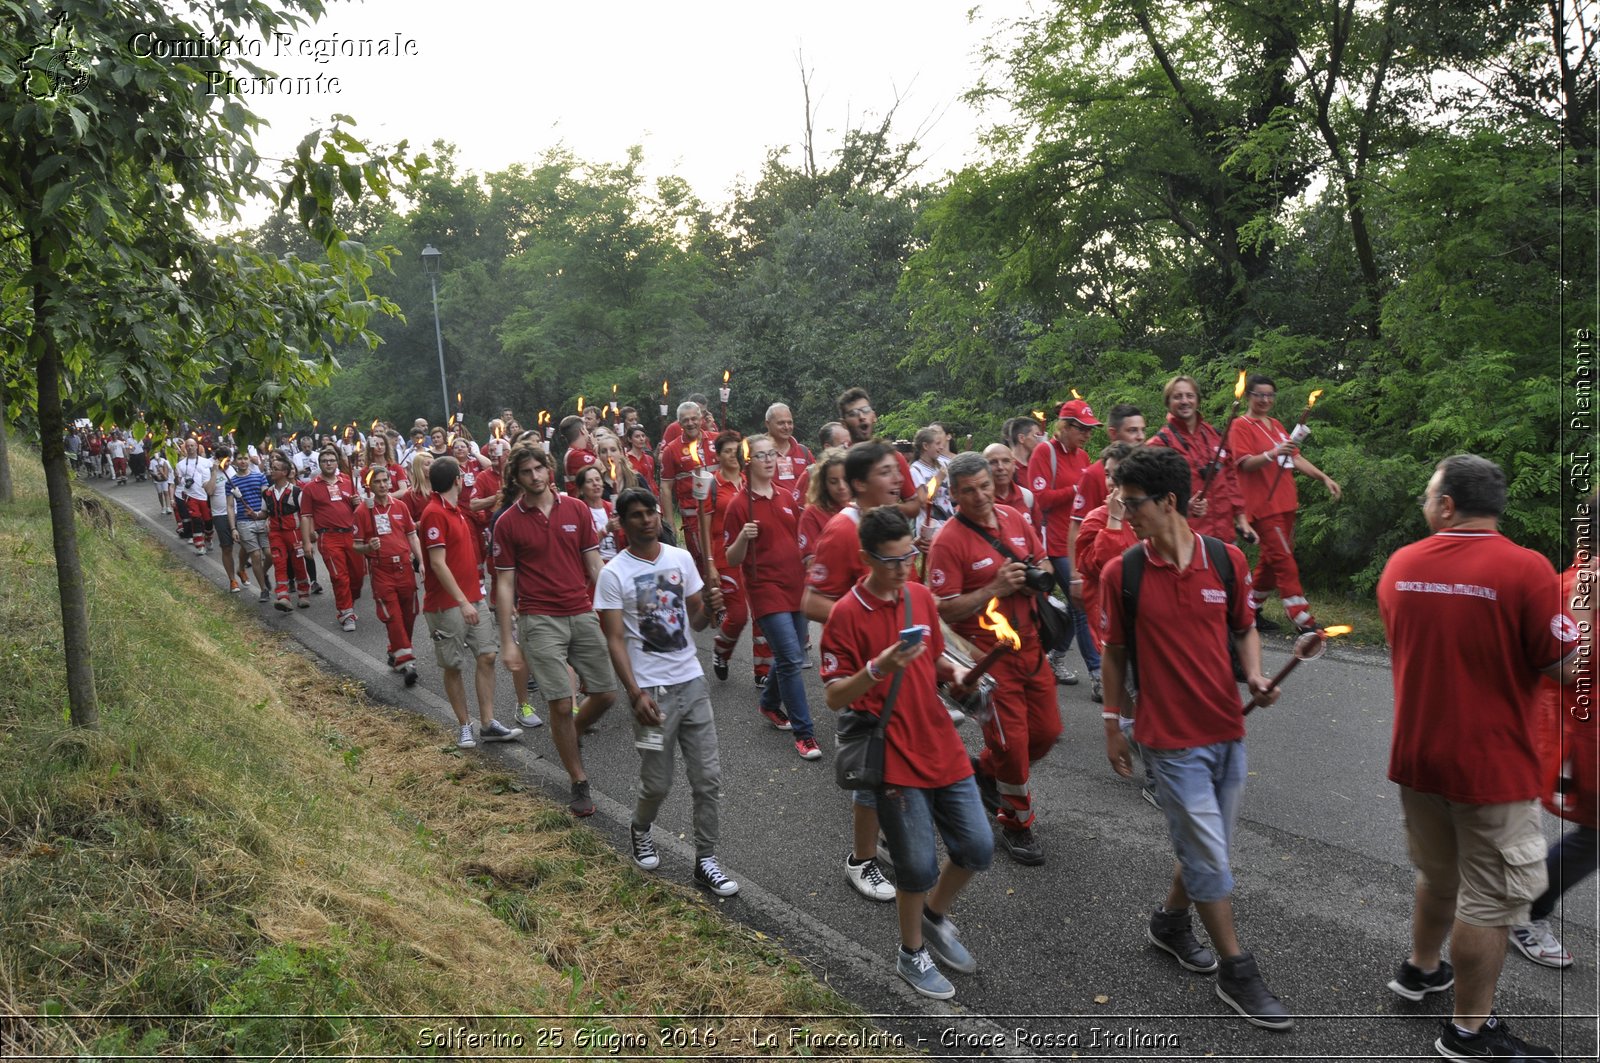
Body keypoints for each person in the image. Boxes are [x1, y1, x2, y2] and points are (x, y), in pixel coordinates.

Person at [1379, 454, 1579, 1061]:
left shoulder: (1402, 565)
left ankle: (1420, 971)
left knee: (1438, 876)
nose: (1424, 503)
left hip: (1417, 757)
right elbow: (1562, 663)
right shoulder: (1526, 569)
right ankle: (1469, 1032)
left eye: (1427, 494)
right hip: (1491, 767)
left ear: (1446, 505)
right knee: (1490, 900)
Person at [1098, 445, 1292, 1031]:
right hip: (1167, 738)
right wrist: (1112, 724)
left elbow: (1244, 627)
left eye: (1134, 503)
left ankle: (1170, 923)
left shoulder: (1227, 560)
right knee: (1208, 851)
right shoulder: (1123, 571)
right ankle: (1238, 971)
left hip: (1227, 728)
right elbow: (1113, 654)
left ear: (1169, 502)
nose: (1126, 512)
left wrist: (1255, 674)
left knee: (1209, 846)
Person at [821, 506, 990, 1000]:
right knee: (916, 866)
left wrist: (956, 675)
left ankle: (934, 917)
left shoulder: (919, 595)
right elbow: (834, 695)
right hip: (891, 753)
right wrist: (877, 667)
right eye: (892, 561)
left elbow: (934, 654)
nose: (904, 570)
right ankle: (910, 952)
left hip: (940, 741)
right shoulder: (846, 614)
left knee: (977, 848)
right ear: (864, 558)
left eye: (910, 556)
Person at [595, 487, 738, 896]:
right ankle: (640, 827)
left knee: (707, 778)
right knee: (657, 781)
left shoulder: (681, 559)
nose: (646, 520)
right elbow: (616, 639)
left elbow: (697, 622)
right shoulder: (613, 574)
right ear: (622, 523)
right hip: (651, 695)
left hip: (691, 683)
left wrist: (711, 607)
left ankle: (705, 859)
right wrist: (635, 693)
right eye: (636, 515)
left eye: (651, 512)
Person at [927, 452, 1058, 865]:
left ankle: (985, 770)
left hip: (1030, 645)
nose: (981, 495)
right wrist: (994, 588)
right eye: (969, 490)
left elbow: (1043, 560)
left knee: (1047, 732)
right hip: (986, 659)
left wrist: (1035, 578)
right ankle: (1016, 824)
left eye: (985, 485)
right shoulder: (948, 540)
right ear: (954, 494)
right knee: (1013, 744)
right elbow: (943, 610)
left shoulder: (1013, 518)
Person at [803, 441, 907, 904]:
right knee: (873, 769)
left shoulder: (890, 525)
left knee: (898, 765)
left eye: (897, 471)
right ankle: (861, 860)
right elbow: (811, 601)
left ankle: (883, 837)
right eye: (887, 472)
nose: (898, 479)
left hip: (901, 668)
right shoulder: (843, 530)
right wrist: (867, 631)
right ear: (860, 483)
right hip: (867, 672)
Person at [493, 444, 618, 817]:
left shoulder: (576, 509)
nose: (535, 476)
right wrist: (507, 643)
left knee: (607, 694)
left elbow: (595, 566)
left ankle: (570, 732)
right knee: (561, 703)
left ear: (550, 470)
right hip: (538, 618)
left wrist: (615, 609)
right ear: (517, 479)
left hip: (580, 611)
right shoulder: (507, 523)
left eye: (539, 469)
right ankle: (578, 780)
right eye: (527, 472)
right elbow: (503, 585)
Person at [1512, 503, 1597, 970]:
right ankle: (1526, 912)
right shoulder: (1571, 589)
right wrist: (1586, 610)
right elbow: (1570, 675)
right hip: (1583, 735)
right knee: (1596, 837)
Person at [724, 433, 818, 759]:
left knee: (787, 653)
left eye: (772, 455)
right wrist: (742, 538)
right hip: (765, 589)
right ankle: (805, 734)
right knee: (792, 659)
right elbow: (733, 558)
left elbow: (799, 540)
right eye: (761, 455)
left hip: (796, 585)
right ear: (748, 462)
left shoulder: (785, 496)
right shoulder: (739, 505)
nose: (769, 460)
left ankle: (768, 703)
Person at [421, 455, 523, 749]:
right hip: (447, 604)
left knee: (488, 655)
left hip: (474, 597)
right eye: (462, 475)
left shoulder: (458, 511)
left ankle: (488, 723)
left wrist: (472, 598)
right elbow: (438, 564)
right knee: (453, 665)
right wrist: (462, 602)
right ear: (456, 480)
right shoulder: (434, 513)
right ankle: (465, 724)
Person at [1227, 376, 1342, 633]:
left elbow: (1295, 458)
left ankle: (1251, 609)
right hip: (1263, 505)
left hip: (1286, 502)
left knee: (1271, 559)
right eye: (1260, 395)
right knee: (1283, 560)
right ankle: (1301, 618)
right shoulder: (1240, 425)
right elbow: (1244, 463)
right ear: (1249, 396)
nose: (1265, 400)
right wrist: (1272, 453)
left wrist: (1324, 477)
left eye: (1270, 395)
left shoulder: (1276, 424)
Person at [1026, 398, 1102, 693]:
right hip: (1053, 542)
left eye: (1090, 429)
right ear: (1065, 427)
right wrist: (1075, 489)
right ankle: (1098, 675)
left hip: (1078, 541)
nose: (1087, 434)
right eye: (1082, 429)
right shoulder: (1044, 452)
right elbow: (1040, 498)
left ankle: (1056, 656)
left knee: (1077, 604)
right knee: (1082, 605)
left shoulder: (1082, 457)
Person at [1147, 375, 1254, 546]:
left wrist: (1242, 520)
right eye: (1177, 396)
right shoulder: (1159, 446)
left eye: (1189, 396)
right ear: (1168, 402)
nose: (1184, 401)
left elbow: (1231, 480)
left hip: (1225, 536)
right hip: (1188, 539)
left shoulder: (1216, 436)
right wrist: (1183, 506)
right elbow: (1153, 495)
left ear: (1197, 400)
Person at [355, 465, 424, 686]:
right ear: (370, 485)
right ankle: (406, 662)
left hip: (404, 568)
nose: (383, 485)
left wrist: (421, 561)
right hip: (382, 570)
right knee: (392, 615)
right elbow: (355, 545)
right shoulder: (363, 511)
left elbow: (412, 535)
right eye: (378, 482)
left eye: (386, 481)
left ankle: (396, 651)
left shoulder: (401, 506)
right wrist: (368, 547)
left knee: (410, 614)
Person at [300, 447, 365, 632]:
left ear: (337, 462)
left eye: (331, 460)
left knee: (358, 577)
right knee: (339, 576)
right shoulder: (311, 487)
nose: (328, 463)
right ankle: (346, 613)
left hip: (351, 536)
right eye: (324, 460)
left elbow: (358, 511)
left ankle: (349, 604)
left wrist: (357, 504)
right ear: (319, 464)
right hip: (329, 537)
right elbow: (305, 516)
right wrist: (306, 543)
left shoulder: (347, 481)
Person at [658, 401, 713, 577]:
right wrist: (670, 523)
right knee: (703, 563)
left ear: (701, 419)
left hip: (720, 512)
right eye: (686, 420)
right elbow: (665, 487)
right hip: (693, 518)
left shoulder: (717, 440)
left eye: (694, 418)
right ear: (679, 424)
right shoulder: (671, 450)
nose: (690, 423)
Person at [1072, 403, 1145, 529]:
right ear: (1113, 433)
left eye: (1143, 430)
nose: (1140, 437)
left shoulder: (1148, 468)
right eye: (1132, 430)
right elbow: (1077, 527)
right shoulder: (1093, 474)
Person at [261, 451, 312, 610]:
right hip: (276, 533)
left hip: (294, 533)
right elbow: (264, 512)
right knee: (279, 563)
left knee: (298, 564)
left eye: (275, 469)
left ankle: (303, 594)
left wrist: (307, 539)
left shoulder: (297, 492)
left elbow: (305, 515)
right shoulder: (267, 492)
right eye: (271, 468)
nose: (272, 471)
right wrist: (256, 515)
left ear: (284, 472)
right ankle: (283, 596)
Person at [227, 451, 272, 604]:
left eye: (245, 458)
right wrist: (233, 528)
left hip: (261, 518)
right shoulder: (231, 482)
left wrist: (267, 516)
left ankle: (263, 572)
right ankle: (263, 589)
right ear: (234, 461)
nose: (243, 461)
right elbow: (230, 506)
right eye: (239, 458)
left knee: (270, 553)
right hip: (244, 522)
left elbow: (267, 498)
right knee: (256, 556)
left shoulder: (259, 476)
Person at [799, 447, 850, 568]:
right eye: (833, 481)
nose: (841, 486)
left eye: (846, 479)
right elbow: (811, 563)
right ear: (824, 484)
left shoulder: (860, 508)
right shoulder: (812, 514)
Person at [174, 438, 216, 556]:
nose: (190, 448)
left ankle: (208, 538)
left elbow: (215, 472)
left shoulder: (206, 462)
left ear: (197, 446)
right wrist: (177, 477)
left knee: (208, 521)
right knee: (196, 520)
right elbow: (177, 482)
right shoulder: (180, 465)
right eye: (188, 446)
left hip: (204, 496)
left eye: (192, 446)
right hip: (190, 496)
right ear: (185, 448)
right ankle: (200, 546)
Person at [764, 402, 814, 493]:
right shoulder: (758, 453)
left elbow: (817, 481)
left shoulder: (804, 452)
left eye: (790, 422)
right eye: (781, 423)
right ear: (767, 424)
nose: (787, 427)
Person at [575, 465, 621, 563]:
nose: (596, 484)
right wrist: (606, 530)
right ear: (581, 489)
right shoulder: (578, 512)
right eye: (589, 481)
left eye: (597, 479)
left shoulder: (612, 507)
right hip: (596, 565)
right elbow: (582, 544)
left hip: (619, 561)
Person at [982, 443, 1034, 528]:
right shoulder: (979, 502)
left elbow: (1037, 536)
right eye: (993, 462)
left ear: (1014, 465)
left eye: (1005, 461)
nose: (1000, 467)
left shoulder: (1027, 497)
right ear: (983, 468)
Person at [560, 414, 598, 495]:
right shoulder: (576, 455)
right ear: (582, 430)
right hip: (582, 503)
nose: (588, 432)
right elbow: (603, 466)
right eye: (586, 429)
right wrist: (596, 447)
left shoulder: (578, 452)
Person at [148, 449, 173, 516]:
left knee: (166, 492)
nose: (156, 454)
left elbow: (168, 470)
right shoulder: (152, 462)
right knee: (160, 494)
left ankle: (168, 507)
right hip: (157, 480)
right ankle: (163, 507)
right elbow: (150, 471)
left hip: (164, 480)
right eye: (154, 453)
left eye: (157, 452)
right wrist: (155, 475)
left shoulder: (163, 460)